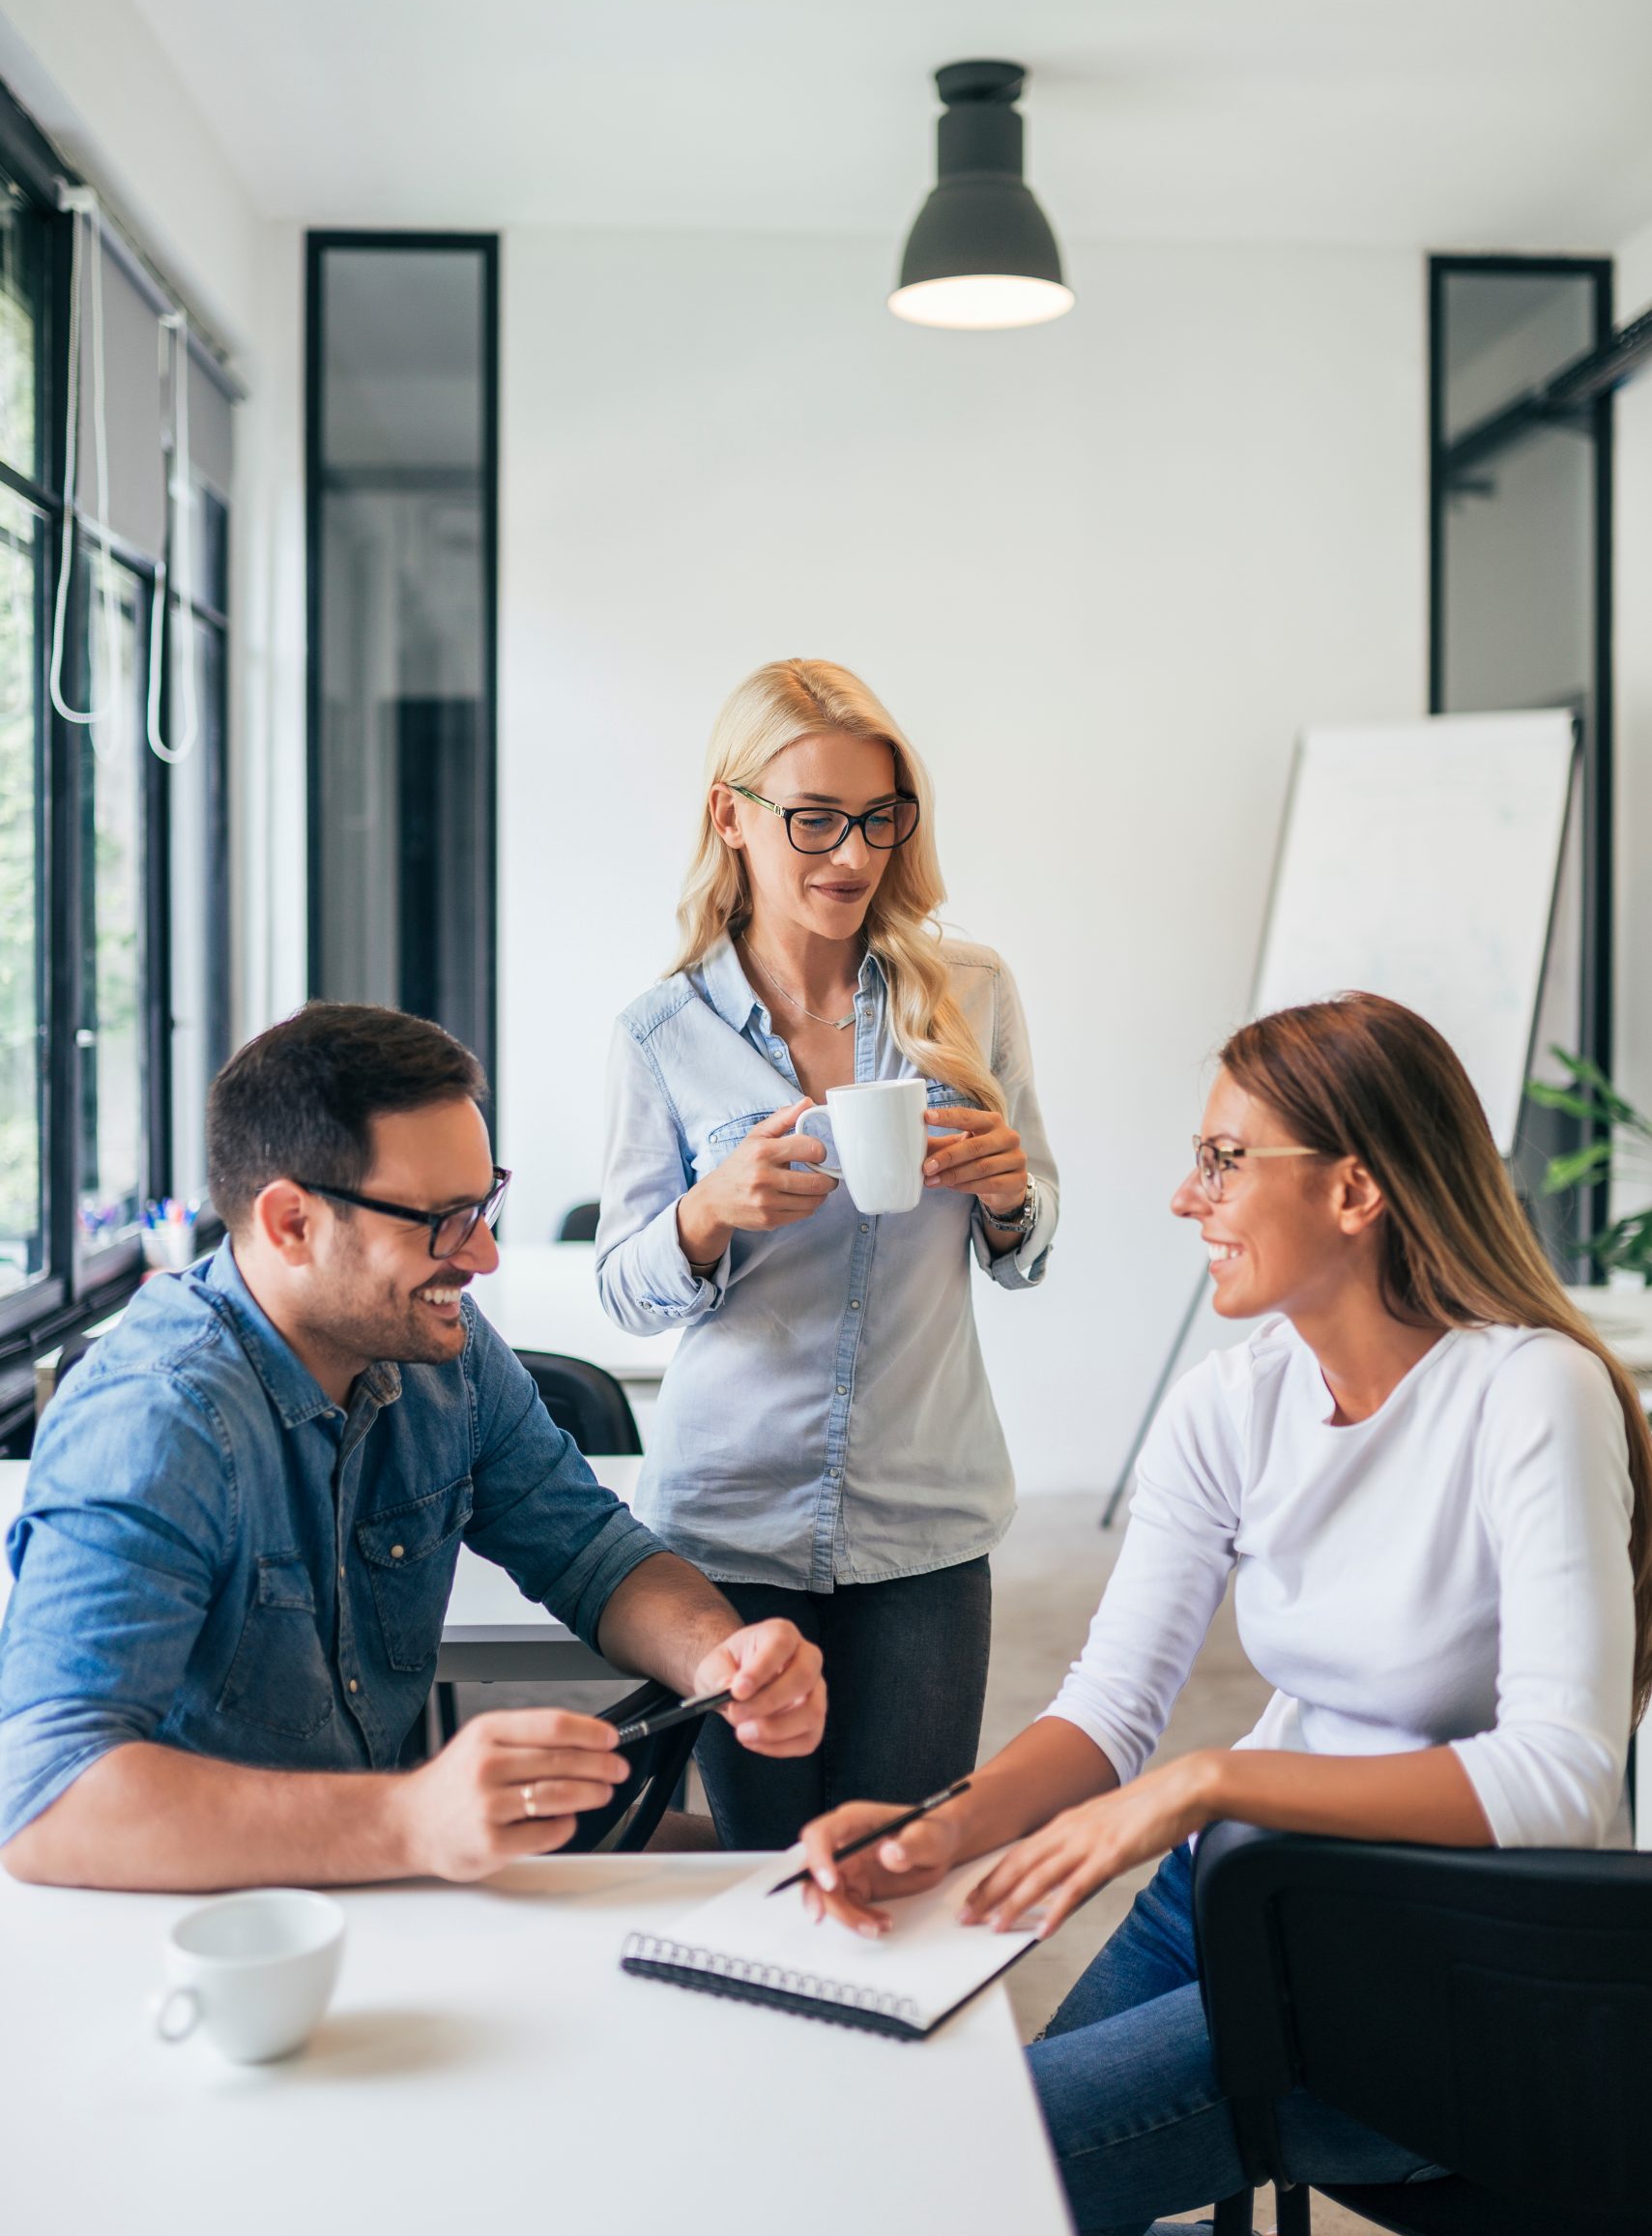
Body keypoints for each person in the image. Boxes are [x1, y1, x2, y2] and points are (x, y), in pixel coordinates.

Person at [794, 993, 1652, 2236]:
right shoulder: (1227, 1405)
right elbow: (1108, 1704)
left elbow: (1556, 1783)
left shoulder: (1531, 1393)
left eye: (1221, 1160)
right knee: (956, 2150)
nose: (1184, 1199)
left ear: (1353, 1190)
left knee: (971, 2174)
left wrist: (1212, 1785)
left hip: (1453, 1971)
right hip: (1240, 1899)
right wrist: (944, 1831)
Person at [0, 1002, 825, 1891]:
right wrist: (410, 1818)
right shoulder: (155, 1425)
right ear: (291, 1224)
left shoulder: (445, 1355)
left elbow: (589, 1549)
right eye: (440, 1221)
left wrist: (717, 1653)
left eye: (482, 1206)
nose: (484, 1257)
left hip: (373, 1874)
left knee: (765, 1881)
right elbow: (46, 1802)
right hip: (201, 1927)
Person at [596, 656, 1058, 1849]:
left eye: (876, 820)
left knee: (898, 1866)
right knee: (758, 1876)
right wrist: (705, 1213)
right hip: (726, 1523)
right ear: (730, 815)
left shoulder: (970, 994)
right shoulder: (661, 1033)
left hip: (924, 1519)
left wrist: (1009, 1196)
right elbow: (620, 1286)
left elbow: (1027, 1236)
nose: (850, 856)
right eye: (812, 820)